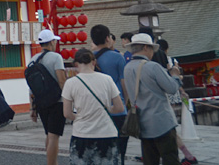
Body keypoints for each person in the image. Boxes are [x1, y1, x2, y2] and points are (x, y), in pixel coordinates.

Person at [123, 33, 184, 165]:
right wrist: (175, 75)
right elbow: (172, 88)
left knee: (150, 160)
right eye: (151, 49)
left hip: (142, 123)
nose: (152, 53)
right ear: (146, 48)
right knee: (170, 157)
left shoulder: (127, 68)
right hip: (161, 121)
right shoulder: (152, 66)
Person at [62, 49, 125, 165]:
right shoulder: (107, 79)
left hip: (82, 133)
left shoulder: (70, 83)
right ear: (94, 62)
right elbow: (120, 107)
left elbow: (67, 113)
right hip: (107, 133)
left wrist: (80, 117)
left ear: (76, 64)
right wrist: (108, 109)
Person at [91, 24, 129, 165]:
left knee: (101, 148)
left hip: (97, 109)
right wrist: (127, 102)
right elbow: (123, 83)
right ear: (108, 38)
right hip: (117, 108)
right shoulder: (118, 57)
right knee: (120, 147)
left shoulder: (88, 59)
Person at [28, 29, 67, 165]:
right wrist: (70, 100)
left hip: (41, 102)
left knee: (49, 134)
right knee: (54, 136)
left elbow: (31, 87)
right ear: (51, 42)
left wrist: (32, 108)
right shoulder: (56, 57)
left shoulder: (33, 60)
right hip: (57, 101)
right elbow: (62, 81)